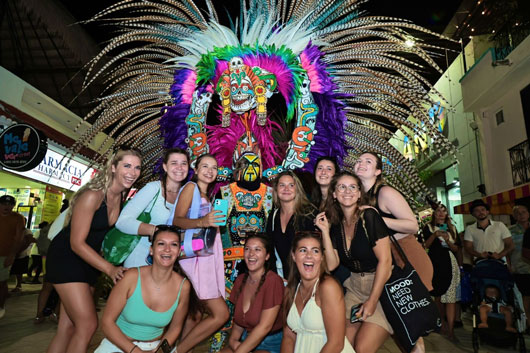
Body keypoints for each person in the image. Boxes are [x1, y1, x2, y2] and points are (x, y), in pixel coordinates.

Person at [45, 146, 142, 353]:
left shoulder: (120, 197)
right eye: (127, 165)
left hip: (88, 262)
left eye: (137, 167)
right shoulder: (93, 195)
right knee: (88, 325)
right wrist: (109, 269)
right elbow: (76, 243)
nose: (132, 172)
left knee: (67, 327)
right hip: (67, 258)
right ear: (114, 167)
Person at [354, 151, 431, 353]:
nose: (361, 163)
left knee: (409, 327)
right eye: (359, 160)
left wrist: (375, 218)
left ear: (378, 171)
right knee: (400, 327)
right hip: (386, 262)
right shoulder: (358, 196)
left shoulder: (385, 192)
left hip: (406, 257)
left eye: (368, 161)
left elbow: (412, 225)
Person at [316, 171, 392, 353]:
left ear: (359, 194)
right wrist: (325, 232)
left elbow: (386, 261)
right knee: (341, 345)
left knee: (362, 348)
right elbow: (332, 265)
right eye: (341, 187)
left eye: (353, 187)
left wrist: (373, 301)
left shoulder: (369, 217)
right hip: (355, 288)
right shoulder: (335, 224)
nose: (347, 191)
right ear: (334, 193)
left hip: (381, 289)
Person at [95, 225, 191, 352]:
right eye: (161, 244)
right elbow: (107, 323)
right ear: (151, 250)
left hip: (155, 348)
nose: (167, 249)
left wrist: (159, 351)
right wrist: (134, 350)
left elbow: (175, 328)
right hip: (119, 345)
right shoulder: (131, 277)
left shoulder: (183, 286)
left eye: (173, 245)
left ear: (179, 251)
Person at [171, 153, 229, 353]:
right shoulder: (191, 188)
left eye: (214, 168)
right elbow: (176, 220)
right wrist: (203, 222)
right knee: (221, 314)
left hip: (205, 259)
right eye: (205, 166)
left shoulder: (209, 196)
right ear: (195, 170)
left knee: (194, 315)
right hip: (192, 260)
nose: (209, 171)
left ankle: (178, 349)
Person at [282, 231, 354, 353]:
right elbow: (288, 337)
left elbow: (336, 343)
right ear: (294, 256)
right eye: (303, 250)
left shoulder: (328, 287)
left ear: (321, 257)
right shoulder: (290, 289)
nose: (309, 255)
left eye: (315, 251)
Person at [116, 148, 190, 267]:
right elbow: (122, 221)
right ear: (165, 167)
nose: (179, 168)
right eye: (174, 163)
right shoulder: (153, 189)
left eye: (183, 163)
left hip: (166, 266)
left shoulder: (187, 196)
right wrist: (156, 231)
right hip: (139, 260)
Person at [220, 233, 284, 353]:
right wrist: (233, 341)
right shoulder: (240, 280)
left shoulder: (273, 281)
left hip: (269, 344)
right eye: (247, 249)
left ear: (267, 256)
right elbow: (239, 321)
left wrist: (240, 351)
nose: (251, 254)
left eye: (257, 249)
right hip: (245, 339)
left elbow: (265, 327)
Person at [421, 205, 460, 341]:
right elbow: (425, 245)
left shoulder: (452, 228)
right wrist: (435, 235)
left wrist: (447, 240)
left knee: (450, 298)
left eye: (444, 211)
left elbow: (456, 248)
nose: (441, 213)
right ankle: (441, 323)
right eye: (438, 211)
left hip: (450, 263)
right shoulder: (428, 227)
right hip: (435, 264)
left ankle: (451, 329)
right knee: (437, 295)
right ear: (434, 214)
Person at [266, 171, 316, 279]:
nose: (286, 189)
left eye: (291, 185)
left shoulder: (309, 214)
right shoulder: (274, 216)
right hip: (283, 280)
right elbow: (270, 251)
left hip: (306, 279)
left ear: (297, 189)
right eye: (282, 185)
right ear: (276, 190)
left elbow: (316, 253)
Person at [0, 194, 26, 319]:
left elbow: (19, 238)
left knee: (1, 282)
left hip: (4, 255)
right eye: (4, 204)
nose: (7, 206)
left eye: (10, 204)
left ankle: (1, 306)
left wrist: (12, 255)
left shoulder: (18, 218)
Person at [509, 205, 530, 329]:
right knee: (526, 297)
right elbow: (507, 251)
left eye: (524, 212)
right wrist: (509, 266)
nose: (521, 215)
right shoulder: (510, 231)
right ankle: (528, 322)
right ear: (514, 216)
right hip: (520, 268)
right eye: (518, 213)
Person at [10, 227, 35, 292]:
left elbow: (30, 240)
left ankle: (18, 285)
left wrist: (19, 251)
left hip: (21, 254)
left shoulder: (26, 231)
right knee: (15, 270)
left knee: (18, 271)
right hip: (15, 253)